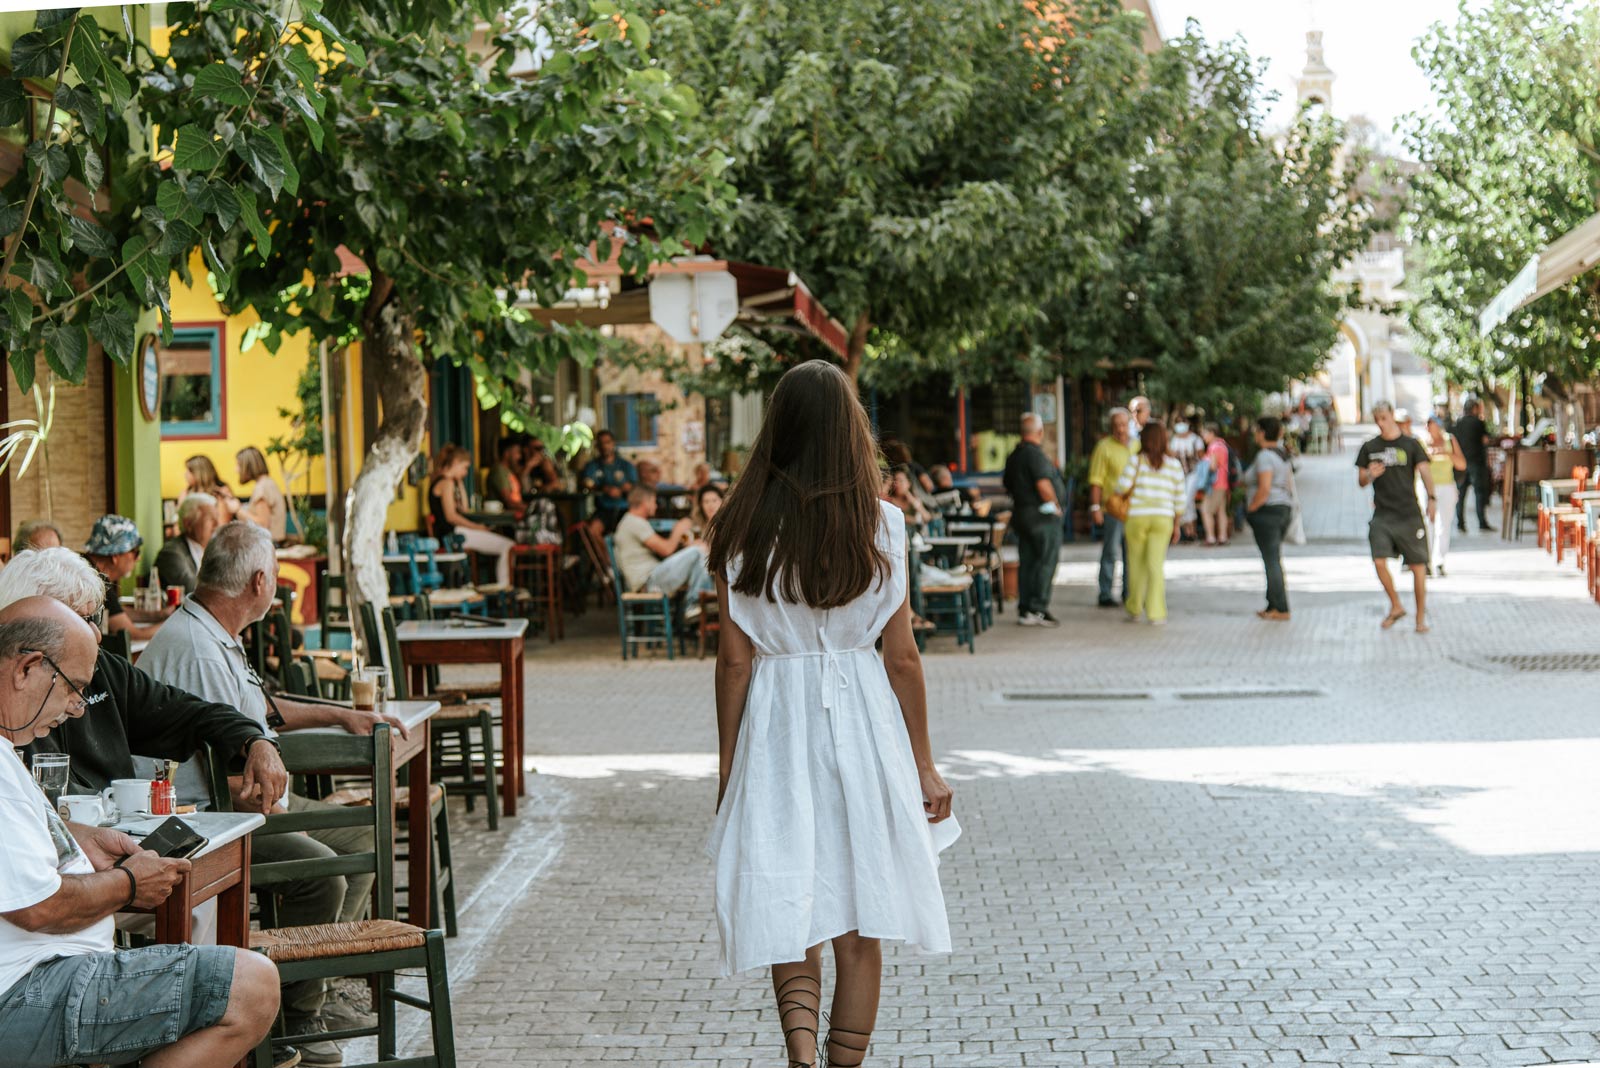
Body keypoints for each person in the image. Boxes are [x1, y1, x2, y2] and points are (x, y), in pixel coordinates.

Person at [704, 360, 957, 1068]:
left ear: (776, 430)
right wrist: (925, 766)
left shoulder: (740, 526)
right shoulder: (885, 525)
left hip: (775, 728)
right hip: (864, 721)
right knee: (861, 916)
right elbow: (901, 655)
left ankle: (800, 1058)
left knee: (791, 904)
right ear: (851, 432)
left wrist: (730, 771)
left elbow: (733, 662)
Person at [139, 524, 403, 1064]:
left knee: (360, 832)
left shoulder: (215, 630)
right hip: (209, 819)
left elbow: (262, 710)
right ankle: (292, 1015)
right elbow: (237, 779)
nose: (279, 584)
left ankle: (311, 992)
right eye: (277, 574)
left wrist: (344, 714)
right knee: (323, 868)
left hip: (242, 800)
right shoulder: (199, 651)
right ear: (260, 582)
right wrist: (292, 818)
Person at [0, 596, 281, 1068]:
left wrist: (72, 835)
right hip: (25, 990)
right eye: (73, 688)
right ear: (27, 667)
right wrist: (131, 883)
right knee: (252, 986)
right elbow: (38, 906)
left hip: (41, 977)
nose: (75, 709)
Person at [1357, 401, 1437, 633]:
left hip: (1409, 513)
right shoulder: (1369, 447)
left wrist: (1432, 499)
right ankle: (1396, 605)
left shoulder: (1411, 444)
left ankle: (1420, 618)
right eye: (1377, 419)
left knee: (1418, 566)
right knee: (1378, 560)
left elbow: (1424, 471)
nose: (1381, 423)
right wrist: (1370, 475)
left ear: (1392, 415)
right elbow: (1361, 480)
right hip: (1382, 514)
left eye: (1384, 417)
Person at [1112, 421, 1185, 625]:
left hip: (1137, 517)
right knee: (1155, 565)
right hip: (1163, 518)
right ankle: (1156, 612)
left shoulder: (1135, 462)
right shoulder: (1174, 465)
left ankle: (1134, 607)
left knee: (1135, 564)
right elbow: (1180, 499)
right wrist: (1177, 524)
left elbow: (1121, 488)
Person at [1002, 413, 1066, 627]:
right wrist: (1055, 506)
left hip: (1021, 515)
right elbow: (1043, 485)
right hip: (1040, 517)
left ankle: (1025, 609)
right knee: (1045, 561)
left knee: (1028, 562)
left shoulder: (1014, 455)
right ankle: (1038, 608)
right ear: (1040, 432)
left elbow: (1008, 485)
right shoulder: (1034, 455)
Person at [612, 487, 715, 619]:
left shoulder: (631, 521)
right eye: (654, 502)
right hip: (648, 582)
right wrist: (678, 530)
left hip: (650, 577)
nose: (655, 506)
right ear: (646, 502)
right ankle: (696, 604)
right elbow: (667, 550)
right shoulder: (634, 522)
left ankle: (698, 606)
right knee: (698, 551)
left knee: (699, 556)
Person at [428, 444, 514, 587]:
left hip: (455, 534)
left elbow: (466, 509)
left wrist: (459, 482)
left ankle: (502, 588)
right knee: (508, 546)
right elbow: (451, 517)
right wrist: (478, 527)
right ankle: (503, 589)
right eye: (465, 467)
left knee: (506, 545)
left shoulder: (447, 482)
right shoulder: (445, 483)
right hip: (453, 535)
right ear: (455, 463)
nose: (466, 472)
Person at [82, 515, 168, 641]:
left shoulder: (85, 566)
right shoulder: (96, 581)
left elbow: (116, 613)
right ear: (115, 555)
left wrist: (159, 615)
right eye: (135, 552)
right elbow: (132, 634)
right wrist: (175, 622)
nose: (138, 558)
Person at [1243, 417, 1295, 621]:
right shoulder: (1282, 455)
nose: (1255, 434)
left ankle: (1281, 607)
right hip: (1282, 509)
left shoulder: (1265, 457)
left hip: (1268, 511)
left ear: (1263, 432)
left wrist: (1252, 509)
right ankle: (1272, 603)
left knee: (1272, 560)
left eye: (1256, 430)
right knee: (1272, 558)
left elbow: (1264, 488)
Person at [1087, 408, 1133, 608]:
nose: (1120, 429)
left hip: (1134, 509)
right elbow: (1096, 480)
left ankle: (1129, 592)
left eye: (1123, 425)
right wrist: (1095, 507)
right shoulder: (1103, 447)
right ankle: (1105, 592)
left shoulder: (1137, 446)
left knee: (1131, 553)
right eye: (1116, 425)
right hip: (1112, 509)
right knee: (1110, 551)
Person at [153, 493, 221, 596]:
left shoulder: (213, 551)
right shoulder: (171, 554)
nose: (217, 524)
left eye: (216, 518)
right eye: (210, 519)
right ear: (188, 524)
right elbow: (194, 591)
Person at [1422, 415, 1464, 577]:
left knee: (1443, 524)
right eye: (1426, 424)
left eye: (1430, 423)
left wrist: (1447, 454)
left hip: (1446, 486)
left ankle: (1439, 560)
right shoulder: (1422, 443)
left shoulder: (1449, 440)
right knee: (1428, 524)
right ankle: (1426, 560)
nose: (1428, 427)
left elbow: (1461, 464)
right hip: (1426, 488)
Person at [580, 430, 637, 534]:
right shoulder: (592, 465)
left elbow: (635, 485)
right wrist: (604, 488)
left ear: (613, 443)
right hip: (603, 509)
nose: (605, 446)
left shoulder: (625, 465)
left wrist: (623, 489)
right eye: (601, 443)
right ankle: (604, 551)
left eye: (607, 442)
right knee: (592, 531)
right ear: (597, 446)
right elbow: (587, 483)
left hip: (625, 509)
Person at [229, 447, 286, 542]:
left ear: (248, 466)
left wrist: (238, 510)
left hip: (269, 543)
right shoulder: (267, 482)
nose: (236, 470)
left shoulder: (262, 488)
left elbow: (263, 525)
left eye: (238, 465)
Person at [1454, 397, 1493, 533]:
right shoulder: (1478, 423)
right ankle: (1482, 523)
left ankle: (1460, 523)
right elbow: (1486, 440)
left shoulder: (1458, 423)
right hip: (1476, 462)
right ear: (1475, 409)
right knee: (1479, 494)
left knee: (1461, 495)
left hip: (1461, 463)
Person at [1198, 424, 1231, 546]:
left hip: (1215, 483)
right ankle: (1222, 537)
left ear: (1212, 433)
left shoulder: (1214, 447)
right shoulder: (1223, 445)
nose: (1203, 437)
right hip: (1224, 482)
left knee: (1206, 510)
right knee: (1221, 511)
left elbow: (1212, 466)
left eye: (1205, 433)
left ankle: (1211, 538)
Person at [484, 439, 526, 519]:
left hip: (516, 515)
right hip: (505, 519)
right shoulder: (499, 470)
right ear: (507, 453)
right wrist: (530, 508)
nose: (519, 456)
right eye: (517, 452)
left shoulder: (509, 471)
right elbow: (509, 502)